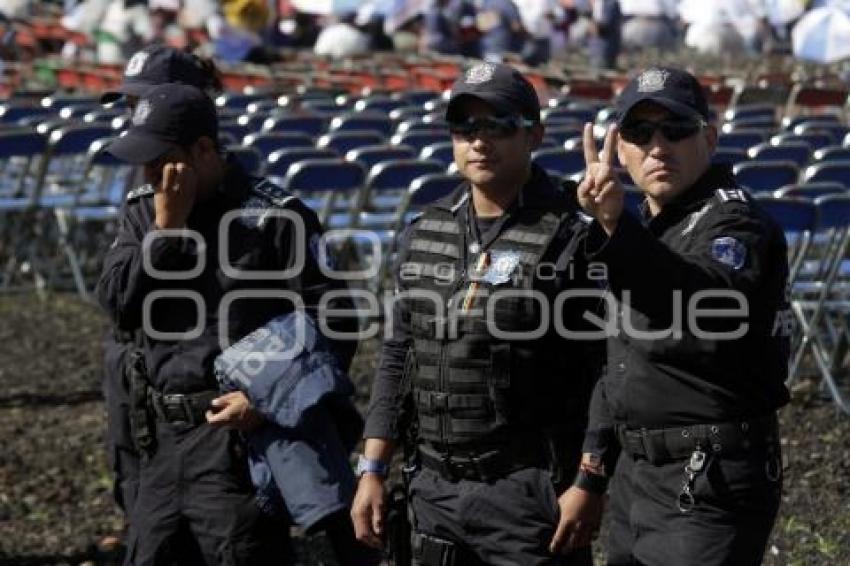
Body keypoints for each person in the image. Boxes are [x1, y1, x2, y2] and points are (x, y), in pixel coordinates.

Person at [351, 61, 604, 565]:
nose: (479, 141)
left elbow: (606, 370)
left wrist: (589, 480)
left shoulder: (574, 232)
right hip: (433, 490)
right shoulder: (427, 229)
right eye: (466, 127)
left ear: (533, 135)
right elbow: (400, 356)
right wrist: (372, 468)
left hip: (527, 490)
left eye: (498, 125)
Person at [95, 83, 360, 565]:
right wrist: (165, 232)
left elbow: (337, 318)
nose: (150, 173)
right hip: (160, 440)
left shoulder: (274, 216)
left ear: (203, 150)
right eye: (143, 162)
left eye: (160, 160)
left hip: (237, 444)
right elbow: (116, 304)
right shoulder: (143, 211)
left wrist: (268, 398)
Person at [572, 66, 791, 565]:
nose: (657, 146)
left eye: (675, 129)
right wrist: (593, 467)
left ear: (709, 138)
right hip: (637, 477)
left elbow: (702, 302)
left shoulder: (734, 220)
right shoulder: (647, 225)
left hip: (708, 478)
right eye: (639, 132)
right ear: (620, 149)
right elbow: (620, 358)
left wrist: (613, 226)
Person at [98, 43, 221, 525]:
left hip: (195, 395)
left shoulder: (213, 184)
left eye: (145, 101)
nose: (136, 116)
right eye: (130, 105)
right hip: (132, 366)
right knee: (138, 497)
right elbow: (116, 297)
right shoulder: (142, 191)